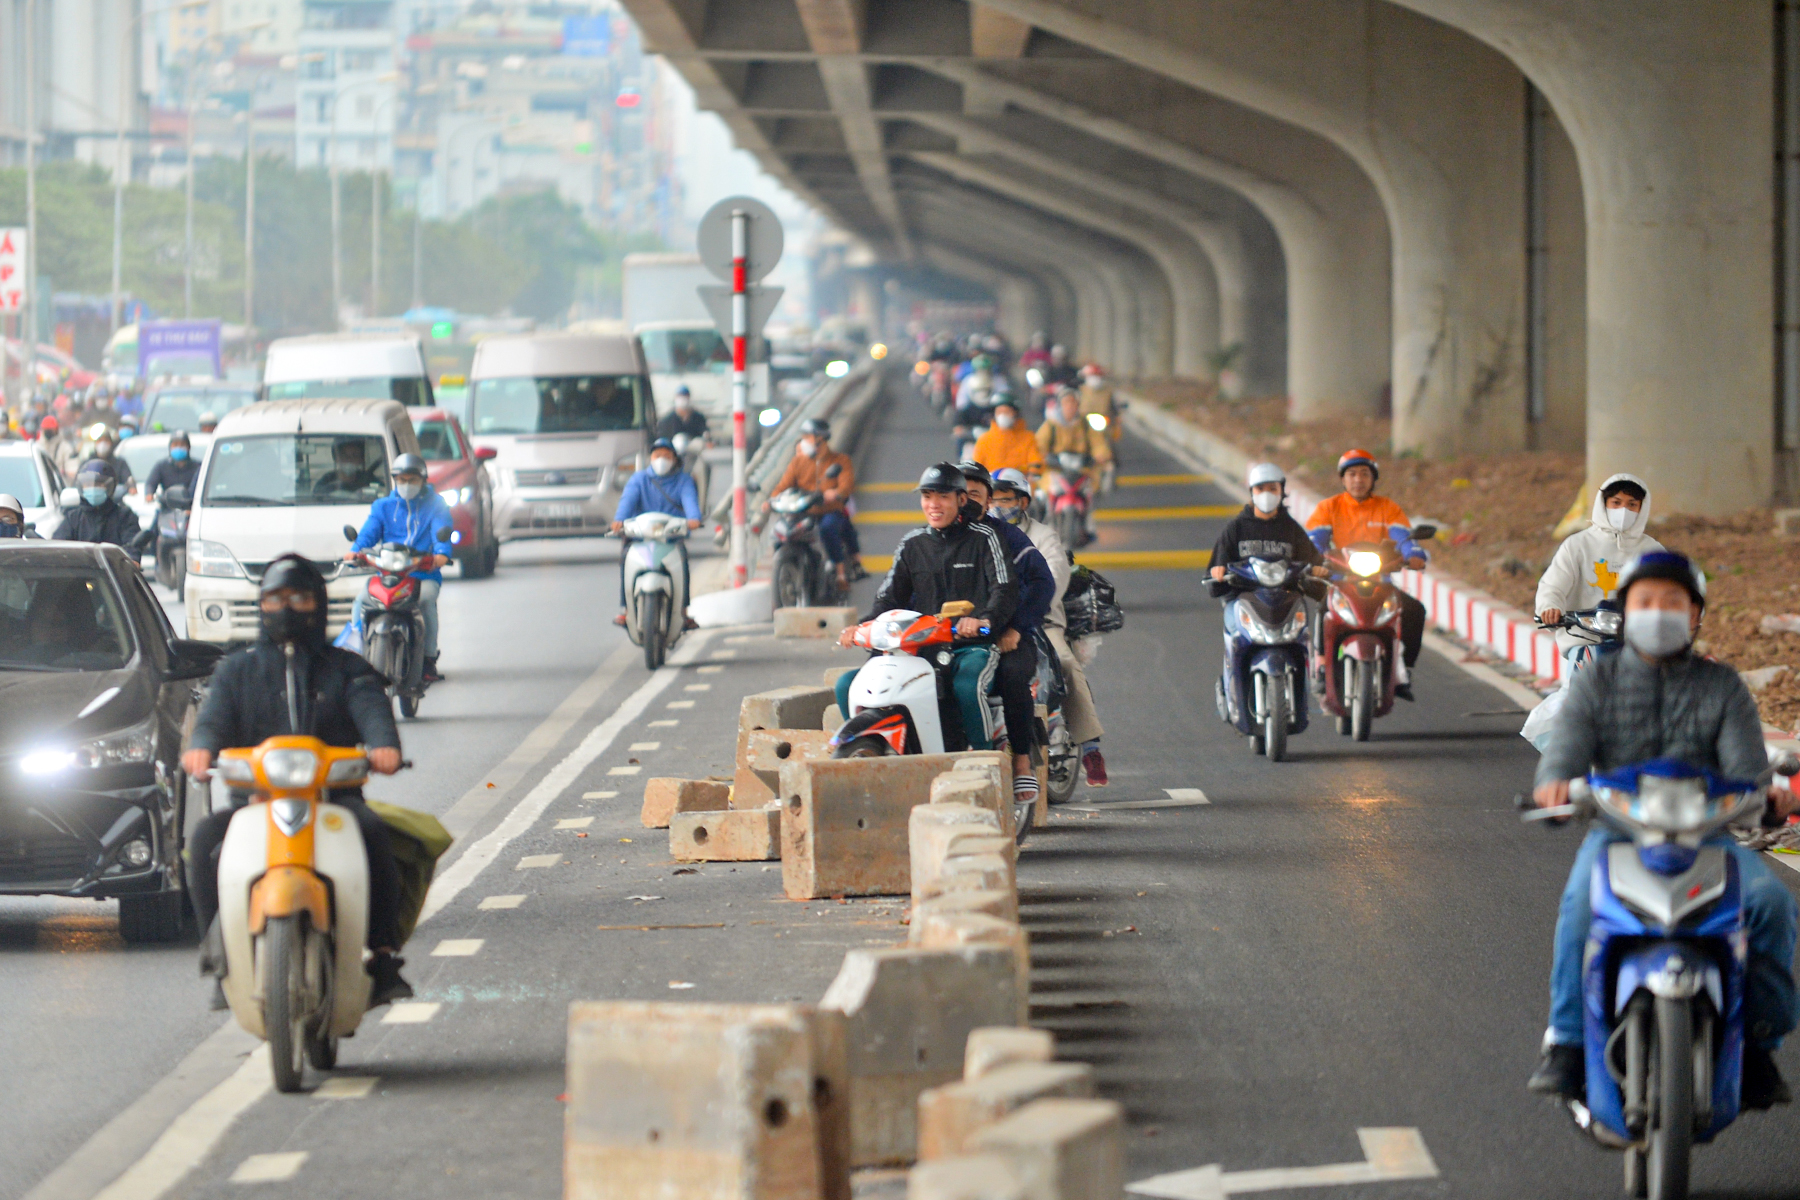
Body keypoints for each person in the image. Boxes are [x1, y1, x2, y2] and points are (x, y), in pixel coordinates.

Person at [1528, 551, 1800, 1107]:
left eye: (1673, 602)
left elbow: (1746, 771)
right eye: (1646, 601)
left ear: (1696, 615)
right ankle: (1569, 1044)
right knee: (1580, 910)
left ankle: (1758, 1046)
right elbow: (1567, 748)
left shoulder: (1723, 687)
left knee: (1772, 904)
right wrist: (1555, 785)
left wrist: (1767, 797)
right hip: (1617, 834)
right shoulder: (1596, 679)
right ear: (1625, 610)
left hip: (1710, 836)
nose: (1659, 612)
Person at [182, 555, 414, 1010]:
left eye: (299, 598)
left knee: (372, 834)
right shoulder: (236, 670)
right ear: (261, 605)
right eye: (275, 599)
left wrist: (383, 744)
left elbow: (371, 707)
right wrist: (201, 747)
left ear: (319, 604)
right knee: (206, 837)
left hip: (334, 801)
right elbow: (212, 718)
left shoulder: (346, 668)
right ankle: (221, 950)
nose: (287, 607)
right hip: (256, 802)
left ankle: (383, 957)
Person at [835, 463, 1017, 754]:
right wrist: (863, 627)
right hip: (919, 647)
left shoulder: (985, 537)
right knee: (847, 685)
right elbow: (888, 598)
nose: (933, 505)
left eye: (943, 496)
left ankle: (984, 761)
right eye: (927, 496)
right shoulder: (913, 543)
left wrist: (985, 620)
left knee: (967, 686)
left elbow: (1004, 589)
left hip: (971, 646)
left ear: (961, 500)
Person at [990, 467, 1110, 787]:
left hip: (1040, 621)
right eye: (993, 499)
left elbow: (1054, 577)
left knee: (1066, 664)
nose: (999, 505)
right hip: (992, 624)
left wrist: (1026, 613)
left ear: (1023, 502)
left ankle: (1091, 748)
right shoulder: (981, 535)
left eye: (1006, 498)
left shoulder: (1043, 536)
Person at [960, 462, 1055, 808]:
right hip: (952, 641)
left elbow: (1044, 583)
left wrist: (1016, 627)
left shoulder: (1008, 537)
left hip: (1007, 636)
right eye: (960, 494)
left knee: (1013, 674)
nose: (967, 501)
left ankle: (1021, 761)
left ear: (988, 500)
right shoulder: (931, 538)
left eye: (976, 494)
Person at [1305, 449, 1429, 701]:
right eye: (1352, 474)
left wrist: (1414, 553)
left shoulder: (1388, 508)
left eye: (1364, 474)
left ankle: (1403, 669)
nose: (1358, 479)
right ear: (1343, 479)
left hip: (1379, 580)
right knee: (1322, 611)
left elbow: (1403, 537)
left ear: (1374, 478)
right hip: (1340, 581)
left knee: (1414, 610)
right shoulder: (1328, 507)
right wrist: (1315, 559)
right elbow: (1314, 540)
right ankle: (1320, 665)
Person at [347, 453, 455, 683]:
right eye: (401, 479)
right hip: (387, 573)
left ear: (423, 480)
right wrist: (356, 551)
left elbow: (441, 534)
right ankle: (356, 654)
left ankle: (428, 659)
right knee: (361, 602)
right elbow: (368, 534)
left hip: (423, 573)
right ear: (394, 480)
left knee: (425, 600)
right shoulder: (382, 506)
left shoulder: (436, 505)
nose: (406, 484)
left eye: (412, 479)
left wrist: (441, 554)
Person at [1535, 473, 1662, 659]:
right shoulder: (1577, 545)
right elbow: (1553, 585)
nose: (1623, 510)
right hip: (1583, 642)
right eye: (1616, 503)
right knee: (1572, 689)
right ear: (1604, 504)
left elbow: (1674, 588)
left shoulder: (1652, 550)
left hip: (1639, 646)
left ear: (1642, 508)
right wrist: (1550, 607)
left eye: (1632, 505)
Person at [610, 438, 703, 627]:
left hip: (671, 537)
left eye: (666, 456)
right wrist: (619, 520)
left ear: (674, 459)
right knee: (626, 558)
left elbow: (690, 500)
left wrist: (694, 518)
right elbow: (627, 500)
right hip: (640, 536)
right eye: (657, 455)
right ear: (650, 458)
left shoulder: (683, 480)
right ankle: (626, 609)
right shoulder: (639, 479)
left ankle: (683, 612)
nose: (661, 459)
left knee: (682, 561)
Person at [762, 418, 863, 587]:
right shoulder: (798, 462)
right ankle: (786, 569)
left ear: (820, 439)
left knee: (828, 528)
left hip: (829, 510)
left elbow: (847, 485)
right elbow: (783, 485)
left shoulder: (840, 460)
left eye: (808, 437)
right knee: (782, 532)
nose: (804, 441)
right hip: (802, 510)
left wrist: (836, 493)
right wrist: (771, 499)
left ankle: (839, 574)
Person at [56, 460, 141, 547]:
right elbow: (58, 547)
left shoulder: (125, 517)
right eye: (88, 485)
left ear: (110, 487)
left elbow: (132, 547)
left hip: (112, 561)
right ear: (81, 487)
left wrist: (132, 556)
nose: (93, 488)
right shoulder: (73, 519)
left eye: (99, 484)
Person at [1037, 386, 1113, 476]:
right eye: (1066, 402)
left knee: (1098, 480)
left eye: (1073, 402)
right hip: (1056, 470)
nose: (1070, 406)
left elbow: (1098, 442)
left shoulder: (1085, 424)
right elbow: (1040, 443)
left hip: (1082, 469)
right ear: (1060, 405)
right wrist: (1041, 456)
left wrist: (1101, 454)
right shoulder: (1051, 425)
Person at [971, 399, 1045, 481]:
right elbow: (977, 468)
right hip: (993, 486)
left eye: (1007, 412)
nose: (1003, 415)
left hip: (1020, 485)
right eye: (999, 412)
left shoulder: (1028, 437)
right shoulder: (984, 440)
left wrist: (1032, 474)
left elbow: (1036, 461)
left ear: (1016, 414)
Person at [143, 431, 200, 501]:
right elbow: (151, 483)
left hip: (191, 506)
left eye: (182, 445)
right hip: (166, 506)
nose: (179, 448)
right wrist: (149, 494)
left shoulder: (198, 467)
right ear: (170, 448)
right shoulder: (162, 466)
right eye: (175, 445)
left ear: (188, 447)